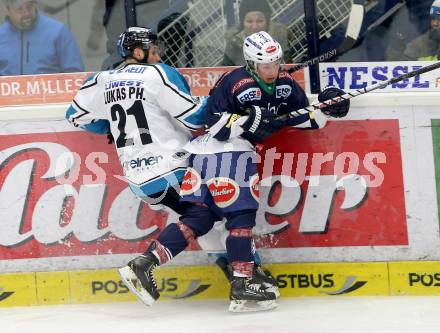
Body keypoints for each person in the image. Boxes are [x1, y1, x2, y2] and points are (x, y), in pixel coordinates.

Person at [124, 31, 349, 312]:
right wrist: (249, 120)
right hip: (225, 154)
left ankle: (143, 264)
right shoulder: (233, 82)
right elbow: (214, 125)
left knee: (198, 218)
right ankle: (243, 285)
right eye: (265, 65)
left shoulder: (287, 86)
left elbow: (306, 118)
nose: (272, 70)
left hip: (202, 159)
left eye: (275, 63)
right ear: (251, 63)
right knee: (240, 216)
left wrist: (327, 106)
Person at [66, 26, 278, 311]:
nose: (158, 55)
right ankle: (241, 278)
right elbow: (194, 118)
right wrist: (226, 103)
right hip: (172, 165)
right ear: (139, 53)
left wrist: (110, 126)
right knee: (223, 212)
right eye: (153, 51)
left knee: (203, 220)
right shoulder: (156, 74)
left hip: (139, 177)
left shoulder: (101, 80)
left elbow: (75, 116)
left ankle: (237, 277)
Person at [0, 0, 84, 76]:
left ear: (35, 4)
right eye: (19, 9)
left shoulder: (58, 31)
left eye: (29, 6)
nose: (26, 13)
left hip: (52, 92)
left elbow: (76, 75)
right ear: (7, 10)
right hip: (8, 92)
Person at [222, 0, 293, 66]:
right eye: (249, 21)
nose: (255, 27)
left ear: (267, 22)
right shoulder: (234, 44)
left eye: (260, 21)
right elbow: (224, 72)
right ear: (242, 23)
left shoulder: (279, 41)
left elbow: (288, 71)